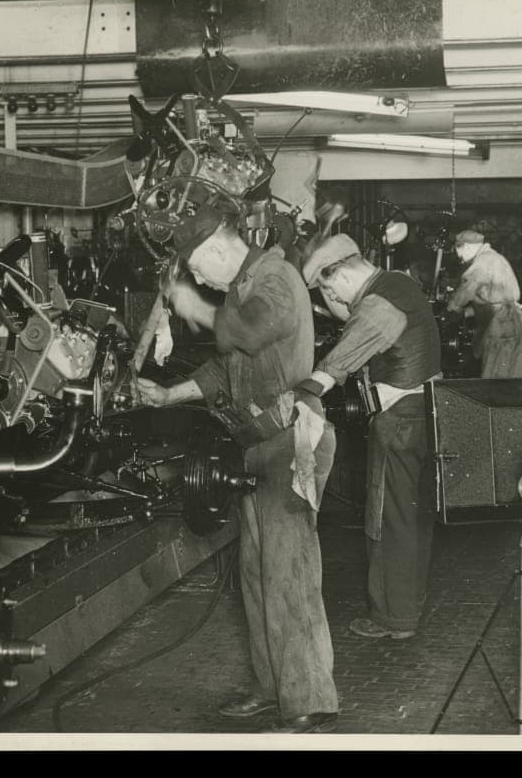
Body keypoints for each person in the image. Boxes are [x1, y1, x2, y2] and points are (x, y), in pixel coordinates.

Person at [134, 204, 339, 735]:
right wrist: (168, 394)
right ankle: (273, 687)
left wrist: (191, 305)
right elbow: (227, 366)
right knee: (257, 576)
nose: (199, 277)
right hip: (254, 443)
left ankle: (309, 700)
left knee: (289, 574)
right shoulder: (243, 285)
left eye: (199, 267)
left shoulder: (275, 277)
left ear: (220, 248)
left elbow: (248, 333)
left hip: (288, 439)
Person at [301, 234, 442, 641]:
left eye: (330, 291)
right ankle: (408, 606)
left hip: (398, 421)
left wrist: (306, 389)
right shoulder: (399, 282)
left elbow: (342, 358)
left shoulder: (376, 303)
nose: (336, 301)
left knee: (386, 518)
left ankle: (391, 618)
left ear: (338, 275)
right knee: (413, 517)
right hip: (425, 413)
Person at [445, 229, 522, 378]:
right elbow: (490, 297)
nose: (462, 259)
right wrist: (467, 312)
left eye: (460, 254)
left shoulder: (482, 261)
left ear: (466, 246)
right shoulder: (496, 258)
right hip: (515, 319)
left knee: (493, 377)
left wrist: (451, 308)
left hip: (502, 321)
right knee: (512, 376)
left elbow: (467, 286)